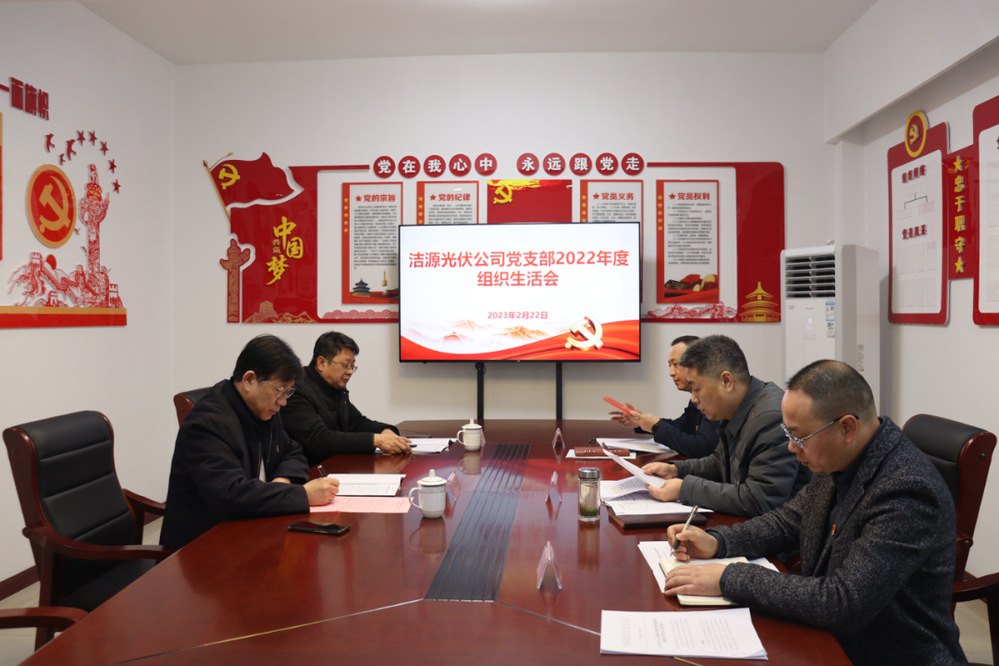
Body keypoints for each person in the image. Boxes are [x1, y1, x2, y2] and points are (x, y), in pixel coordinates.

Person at [663, 360, 966, 665]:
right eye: (789, 434)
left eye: (799, 437)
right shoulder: (838, 455)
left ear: (847, 427)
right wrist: (718, 541)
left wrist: (729, 577)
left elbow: (844, 602)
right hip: (827, 639)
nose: (792, 448)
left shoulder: (906, 490)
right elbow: (789, 521)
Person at [160, 334, 339, 549]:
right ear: (249, 380)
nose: (283, 402)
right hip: (202, 547)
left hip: (249, 530)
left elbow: (293, 451)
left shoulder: (263, 409)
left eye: (288, 392)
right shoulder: (207, 424)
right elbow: (231, 494)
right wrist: (303, 495)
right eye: (280, 390)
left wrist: (282, 482)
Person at [641, 334, 809, 516]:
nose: (694, 399)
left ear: (726, 381)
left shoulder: (770, 418)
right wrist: (675, 470)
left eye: (697, 389)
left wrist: (686, 489)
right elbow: (719, 462)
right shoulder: (733, 406)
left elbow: (760, 499)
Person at [282, 331, 411, 467]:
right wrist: (375, 440)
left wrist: (385, 430)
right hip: (309, 471)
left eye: (352, 366)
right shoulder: (297, 390)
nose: (350, 372)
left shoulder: (335, 387)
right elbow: (319, 440)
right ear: (321, 363)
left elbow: (356, 422)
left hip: (335, 465)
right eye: (345, 365)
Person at [609, 334, 719, 458]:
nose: (671, 373)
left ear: (697, 364)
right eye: (669, 366)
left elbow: (701, 448)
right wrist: (643, 422)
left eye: (676, 364)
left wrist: (656, 426)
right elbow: (681, 427)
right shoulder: (696, 398)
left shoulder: (714, 398)